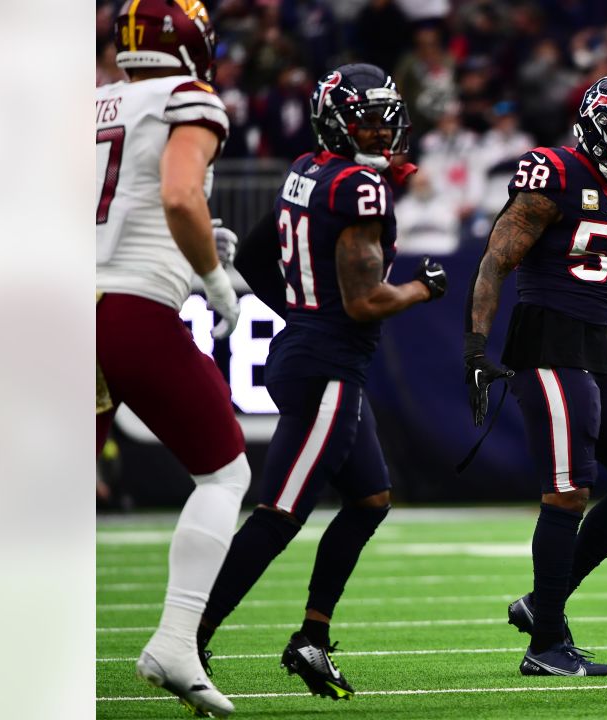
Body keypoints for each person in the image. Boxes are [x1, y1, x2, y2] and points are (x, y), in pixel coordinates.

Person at [195, 63, 448, 701]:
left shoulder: (308, 169)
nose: (380, 132)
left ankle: (312, 636)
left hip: (312, 354)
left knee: (369, 501)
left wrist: (305, 315)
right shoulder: (359, 187)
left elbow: (255, 258)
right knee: (280, 513)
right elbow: (364, 304)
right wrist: (422, 288)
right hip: (329, 367)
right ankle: (188, 632)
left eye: (386, 119)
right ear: (337, 123)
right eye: (366, 120)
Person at [464, 75, 607, 677]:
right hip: (546, 343)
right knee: (568, 490)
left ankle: (541, 606)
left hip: (597, 348)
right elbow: (496, 260)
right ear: (596, 126)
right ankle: (545, 645)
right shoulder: (551, 171)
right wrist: (476, 347)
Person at [96, 1, 247, 716]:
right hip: (125, 309)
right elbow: (179, 193)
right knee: (224, 471)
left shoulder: (92, 100)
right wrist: (213, 279)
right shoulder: (190, 96)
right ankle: (175, 640)